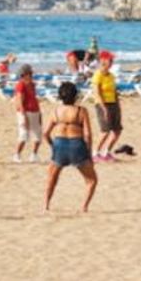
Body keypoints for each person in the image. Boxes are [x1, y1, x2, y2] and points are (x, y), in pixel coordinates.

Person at [44, 81, 98, 213]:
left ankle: (46, 205)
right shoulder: (81, 111)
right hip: (76, 145)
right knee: (91, 180)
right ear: (75, 96)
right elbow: (88, 135)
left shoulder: (56, 111)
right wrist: (89, 154)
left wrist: (53, 146)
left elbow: (45, 134)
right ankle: (84, 207)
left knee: (52, 179)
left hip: (59, 144)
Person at [89, 52, 121, 161]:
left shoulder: (111, 75)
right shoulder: (98, 75)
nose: (111, 62)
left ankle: (106, 152)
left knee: (117, 130)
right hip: (102, 104)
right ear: (102, 61)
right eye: (109, 60)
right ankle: (95, 153)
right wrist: (104, 108)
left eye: (112, 60)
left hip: (113, 103)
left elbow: (114, 92)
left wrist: (117, 105)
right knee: (105, 131)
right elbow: (97, 93)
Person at [12, 64, 43, 163]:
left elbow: (34, 99)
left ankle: (34, 155)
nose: (31, 74)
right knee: (24, 135)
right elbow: (19, 101)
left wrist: (39, 113)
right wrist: (23, 115)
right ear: (24, 74)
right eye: (30, 73)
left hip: (35, 111)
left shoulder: (32, 85)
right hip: (26, 112)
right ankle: (17, 154)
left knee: (37, 135)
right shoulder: (21, 85)